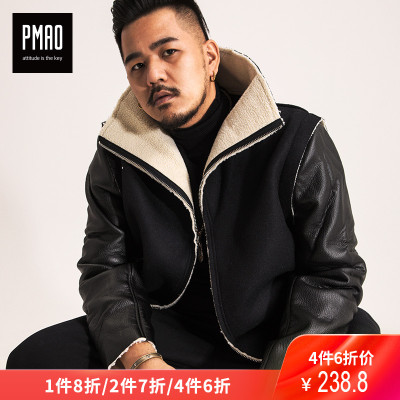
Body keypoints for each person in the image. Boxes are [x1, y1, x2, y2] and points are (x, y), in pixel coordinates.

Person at [7, 0, 379, 370]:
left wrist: (279, 371)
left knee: (366, 349)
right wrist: (142, 359)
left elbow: (334, 272)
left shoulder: (296, 138)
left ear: (210, 58)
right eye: (137, 65)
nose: (153, 75)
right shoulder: (117, 155)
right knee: (32, 359)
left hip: (274, 335)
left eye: (169, 52)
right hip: (167, 333)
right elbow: (106, 267)